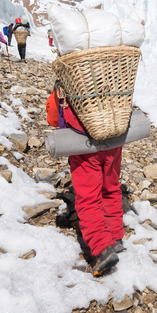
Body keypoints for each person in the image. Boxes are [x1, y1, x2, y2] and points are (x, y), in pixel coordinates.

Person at [47, 83, 123, 276]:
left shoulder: (68, 83)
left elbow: (53, 118)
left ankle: (103, 249)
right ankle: (115, 236)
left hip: (84, 144)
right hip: (113, 140)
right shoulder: (113, 78)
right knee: (111, 188)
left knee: (89, 197)